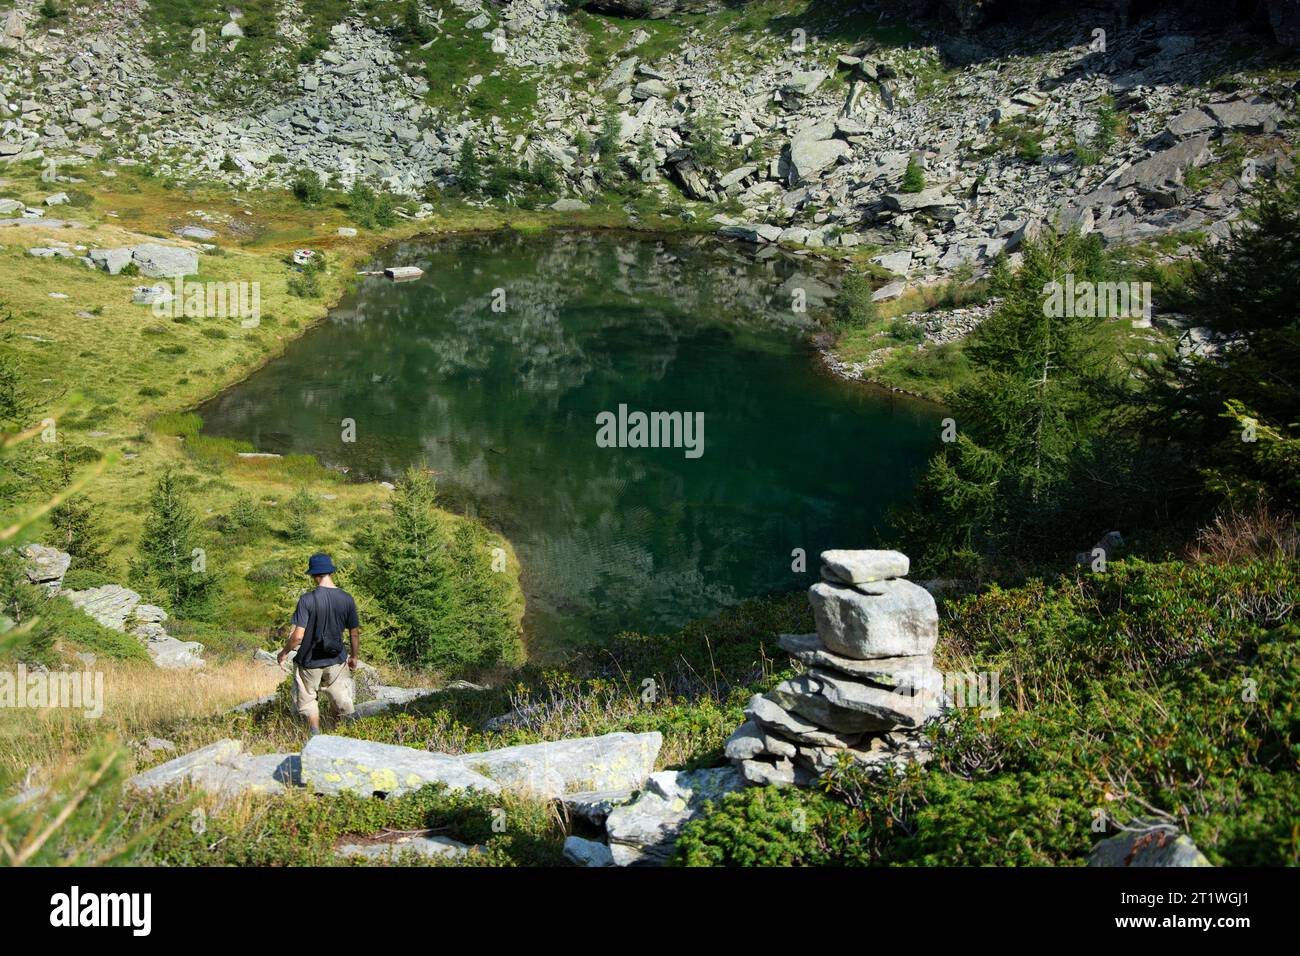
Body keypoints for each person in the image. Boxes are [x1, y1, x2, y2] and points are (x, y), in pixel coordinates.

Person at [278, 553, 360, 735]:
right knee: (340, 702)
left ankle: (315, 734)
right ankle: (337, 734)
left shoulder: (307, 600)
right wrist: (354, 657)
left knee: (308, 700)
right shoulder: (347, 599)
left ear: (314, 575)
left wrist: (284, 652)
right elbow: (354, 633)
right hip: (336, 660)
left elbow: (298, 636)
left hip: (309, 661)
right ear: (330, 572)